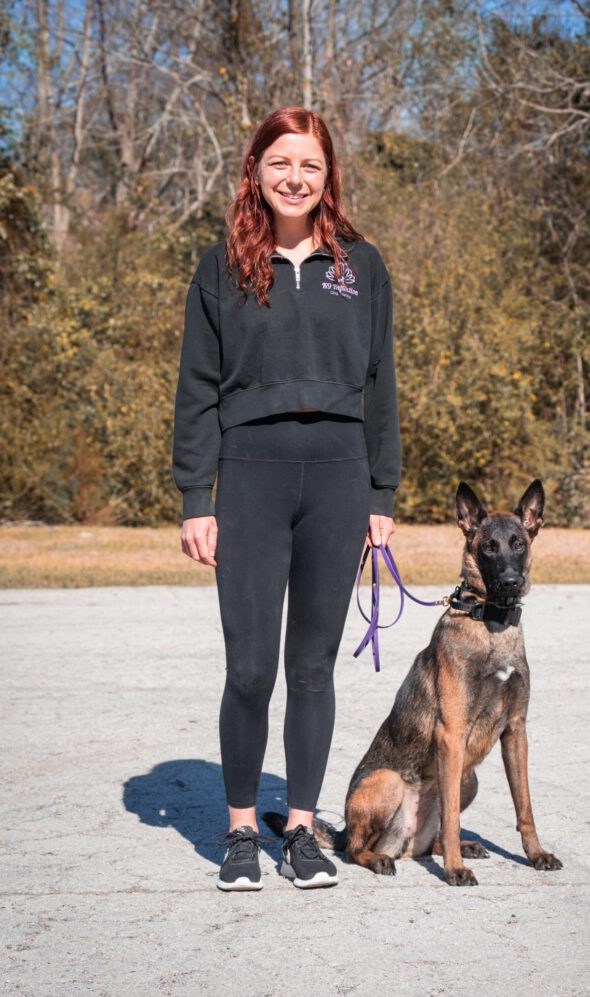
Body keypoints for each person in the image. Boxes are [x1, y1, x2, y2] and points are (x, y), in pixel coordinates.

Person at [171, 107, 401, 891]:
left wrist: (381, 490)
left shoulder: (362, 267)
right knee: (248, 669)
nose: (294, 178)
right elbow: (197, 389)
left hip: (339, 476)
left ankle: (300, 830)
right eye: (280, 163)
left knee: (311, 667)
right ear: (256, 172)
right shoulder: (222, 267)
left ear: (328, 176)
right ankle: (241, 831)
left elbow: (381, 384)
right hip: (250, 476)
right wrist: (195, 496)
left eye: (309, 165)